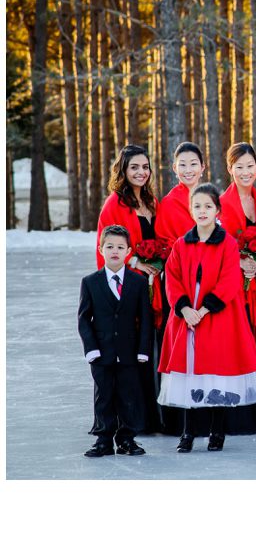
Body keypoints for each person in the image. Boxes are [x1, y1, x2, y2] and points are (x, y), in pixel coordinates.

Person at [158, 183, 256, 452]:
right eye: (197, 206)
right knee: (191, 375)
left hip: (217, 317)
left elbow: (230, 279)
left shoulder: (228, 243)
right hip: (187, 319)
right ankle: (188, 433)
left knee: (216, 376)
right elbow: (171, 279)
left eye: (208, 206)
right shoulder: (181, 245)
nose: (202, 211)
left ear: (217, 210)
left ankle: (216, 431)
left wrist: (205, 309)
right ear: (190, 210)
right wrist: (185, 309)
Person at [95, 144, 163, 433]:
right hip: (128, 285)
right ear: (123, 170)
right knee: (130, 349)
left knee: (149, 347)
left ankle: (151, 415)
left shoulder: (151, 201)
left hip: (152, 284)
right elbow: (106, 245)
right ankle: (129, 419)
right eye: (134, 167)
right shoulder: (115, 204)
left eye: (145, 167)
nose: (141, 172)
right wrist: (135, 260)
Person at [78, 225, 153, 457]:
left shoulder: (138, 282)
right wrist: (91, 349)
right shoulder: (90, 282)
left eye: (120, 247)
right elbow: (83, 319)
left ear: (129, 251)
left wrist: (143, 349)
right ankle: (103, 440)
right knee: (104, 396)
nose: (115, 251)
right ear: (101, 249)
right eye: (109, 246)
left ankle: (127, 439)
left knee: (128, 395)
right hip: (101, 352)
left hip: (129, 352)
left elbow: (146, 319)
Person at [218, 142, 256, 435]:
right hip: (234, 285)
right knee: (238, 341)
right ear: (230, 169)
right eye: (239, 167)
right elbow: (218, 242)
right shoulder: (223, 202)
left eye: (250, 166)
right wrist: (241, 261)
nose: (245, 172)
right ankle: (235, 415)